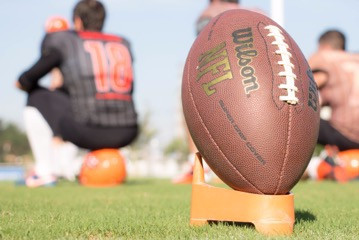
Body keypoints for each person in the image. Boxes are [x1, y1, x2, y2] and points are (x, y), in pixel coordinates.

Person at [16, 0, 138, 187]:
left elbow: (26, 79)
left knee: (35, 95)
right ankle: (66, 166)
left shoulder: (67, 41)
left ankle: (44, 171)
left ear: (78, 21)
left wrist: (21, 83)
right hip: (127, 131)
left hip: (88, 129)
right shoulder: (123, 43)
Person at [306, 29, 359, 181]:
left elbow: (305, 88)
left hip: (345, 134)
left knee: (296, 114)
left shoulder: (324, 57)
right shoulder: (355, 57)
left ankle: (316, 166)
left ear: (325, 47)